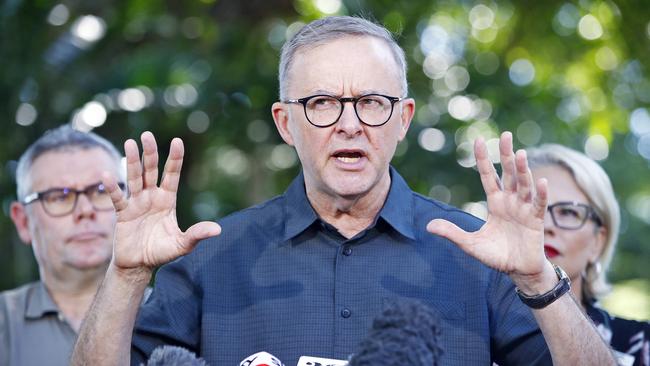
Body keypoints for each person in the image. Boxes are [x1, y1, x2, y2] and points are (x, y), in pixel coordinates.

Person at [71, 16, 616, 365]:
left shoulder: (479, 253)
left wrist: (538, 278)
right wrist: (126, 275)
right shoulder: (210, 254)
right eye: (323, 102)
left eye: (372, 102)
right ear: (287, 123)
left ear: (402, 119)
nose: (350, 124)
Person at [0, 125, 124, 366]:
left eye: (101, 191)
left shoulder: (173, 316)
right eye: (59, 196)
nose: (85, 211)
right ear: (23, 221)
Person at [528, 144, 650, 366]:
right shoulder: (461, 334)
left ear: (598, 242)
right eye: (533, 206)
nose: (545, 225)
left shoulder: (640, 345)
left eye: (568, 212)